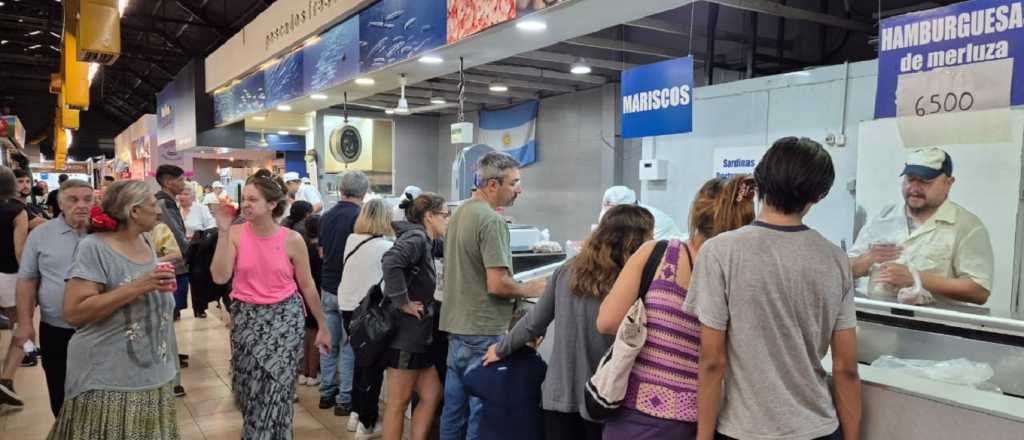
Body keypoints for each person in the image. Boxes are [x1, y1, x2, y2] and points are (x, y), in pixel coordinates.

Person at [684, 137, 861, 440]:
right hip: (818, 428)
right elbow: (845, 367)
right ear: (819, 195)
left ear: (761, 180)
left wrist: (703, 437)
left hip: (745, 430)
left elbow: (712, 359)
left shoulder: (720, 252)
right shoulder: (835, 259)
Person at [594, 176, 755, 440]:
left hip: (637, 412)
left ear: (696, 213)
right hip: (707, 416)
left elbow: (607, 321)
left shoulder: (656, 253)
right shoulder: (740, 276)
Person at [482, 204, 656, 440]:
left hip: (558, 395)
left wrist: (501, 349)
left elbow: (534, 321)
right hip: (605, 398)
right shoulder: (631, 283)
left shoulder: (566, 271)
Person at [47, 180, 180, 439]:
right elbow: (75, 312)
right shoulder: (94, 247)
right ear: (134, 212)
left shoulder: (145, 239)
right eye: (153, 205)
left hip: (151, 370)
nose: (159, 211)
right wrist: (138, 286)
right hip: (109, 376)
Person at [210, 170, 331, 438]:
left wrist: (322, 324)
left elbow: (308, 285)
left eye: (253, 199)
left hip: (284, 320)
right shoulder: (235, 234)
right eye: (246, 199)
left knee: (277, 392)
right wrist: (222, 231)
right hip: (247, 320)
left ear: (272, 204)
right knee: (251, 392)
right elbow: (220, 276)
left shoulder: (292, 239)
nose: (246, 204)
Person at [439, 152, 546, 440]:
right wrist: (530, 289)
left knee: (453, 410)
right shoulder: (492, 221)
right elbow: (497, 285)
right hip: (484, 331)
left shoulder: (460, 212)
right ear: (493, 185)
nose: (519, 189)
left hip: (456, 327)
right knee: (483, 413)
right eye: (514, 183)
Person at [849, 147, 993, 306]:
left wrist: (916, 278)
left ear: (948, 183)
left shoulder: (966, 226)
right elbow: (844, 271)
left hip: (933, 325)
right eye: (910, 179)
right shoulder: (883, 218)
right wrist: (867, 259)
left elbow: (979, 291)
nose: (914, 188)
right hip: (880, 319)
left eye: (925, 181)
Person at [3, 179, 93, 415]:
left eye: (87, 199)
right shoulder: (41, 235)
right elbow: (27, 280)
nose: (81, 205)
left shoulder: (103, 232)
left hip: (100, 328)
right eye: (73, 199)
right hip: (56, 328)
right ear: (60, 202)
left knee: (98, 393)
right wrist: (24, 323)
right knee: (60, 393)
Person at [380, 193, 449, 440]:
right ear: (429, 216)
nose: (448, 220)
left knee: (432, 395)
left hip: (419, 336)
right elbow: (390, 261)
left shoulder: (428, 240)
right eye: (445, 215)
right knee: (399, 402)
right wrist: (404, 302)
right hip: (405, 336)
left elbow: (448, 247)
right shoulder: (417, 238)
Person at [340, 198, 395, 434]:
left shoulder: (352, 240)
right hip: (370, 313)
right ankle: (367, 422)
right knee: (372, 367)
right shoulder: (386, 247)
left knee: (359, 361)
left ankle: (355, 413)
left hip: (348, 308)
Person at [318, 170, 369, 416]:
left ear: (341, 189)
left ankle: (326, 392)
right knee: (348, 345)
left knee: (328, 343)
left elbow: (322, 251)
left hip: (327, 286)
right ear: (364, 192)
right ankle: (344, 399)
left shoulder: (325, 216)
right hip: (350, 290)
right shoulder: (361, 217)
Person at [466, 312, 547, 440]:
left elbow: (469, 381)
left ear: (506, 334)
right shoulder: (541, 368)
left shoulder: (491, 366)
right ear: (540, 340)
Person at [0, 166, 29, 408]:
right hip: (8, 277)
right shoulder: (17, 212)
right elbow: (20, 252)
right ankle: (6, 380)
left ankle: (31, 352)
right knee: (22, 326)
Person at [155, 165, 191, 321]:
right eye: (180, 180)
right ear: (168, 182)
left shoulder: (163, 200)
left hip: (169, 262)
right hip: (173, 264)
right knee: (170, 311)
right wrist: (189, 252)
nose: (184, 183)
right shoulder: (164, 203)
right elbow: (175, 233)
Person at [600, 186, 684, 240]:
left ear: (632, 206)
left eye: (616, 214)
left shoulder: (653, 220)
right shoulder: (608, 214)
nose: (610, 217)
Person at [299, 214, 323, 387]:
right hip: (316, 294)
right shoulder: (319, 250)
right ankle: (313, 374)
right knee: (315, 333)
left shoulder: (302, 246)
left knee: (306, 333)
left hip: (300, 294)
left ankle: (303, 372)